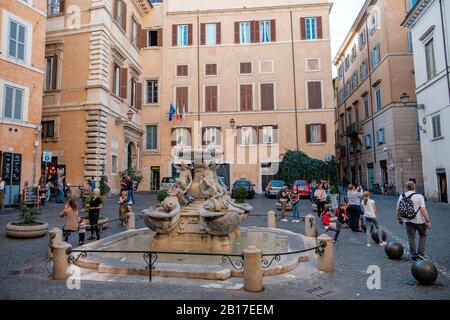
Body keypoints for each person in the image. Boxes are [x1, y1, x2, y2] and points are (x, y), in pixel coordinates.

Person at [396, 181, 431, 260]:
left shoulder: (402, 196)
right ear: (414, 187)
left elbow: (397, 209)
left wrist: (399, 219)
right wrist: (428, 221)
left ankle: (413, 255)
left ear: (407, 188)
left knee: (411, 237)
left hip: (407, 220)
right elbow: (423, 209)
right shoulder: (419, 196)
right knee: (423, 235)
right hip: (420, 221)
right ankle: (421, 253)